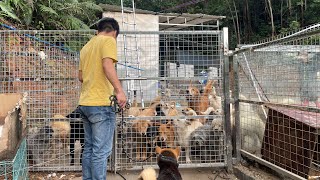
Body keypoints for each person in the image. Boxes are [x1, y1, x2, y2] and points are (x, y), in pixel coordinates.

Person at [78, 17, 127, 180]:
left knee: (90, 148)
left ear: (98, 30)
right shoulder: (108, 40)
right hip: (101, 104)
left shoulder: (86, 47)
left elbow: (81, 77)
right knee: (101, 151)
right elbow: (107, 65)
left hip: (85, 103)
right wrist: (119, 91)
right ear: (114, 31)